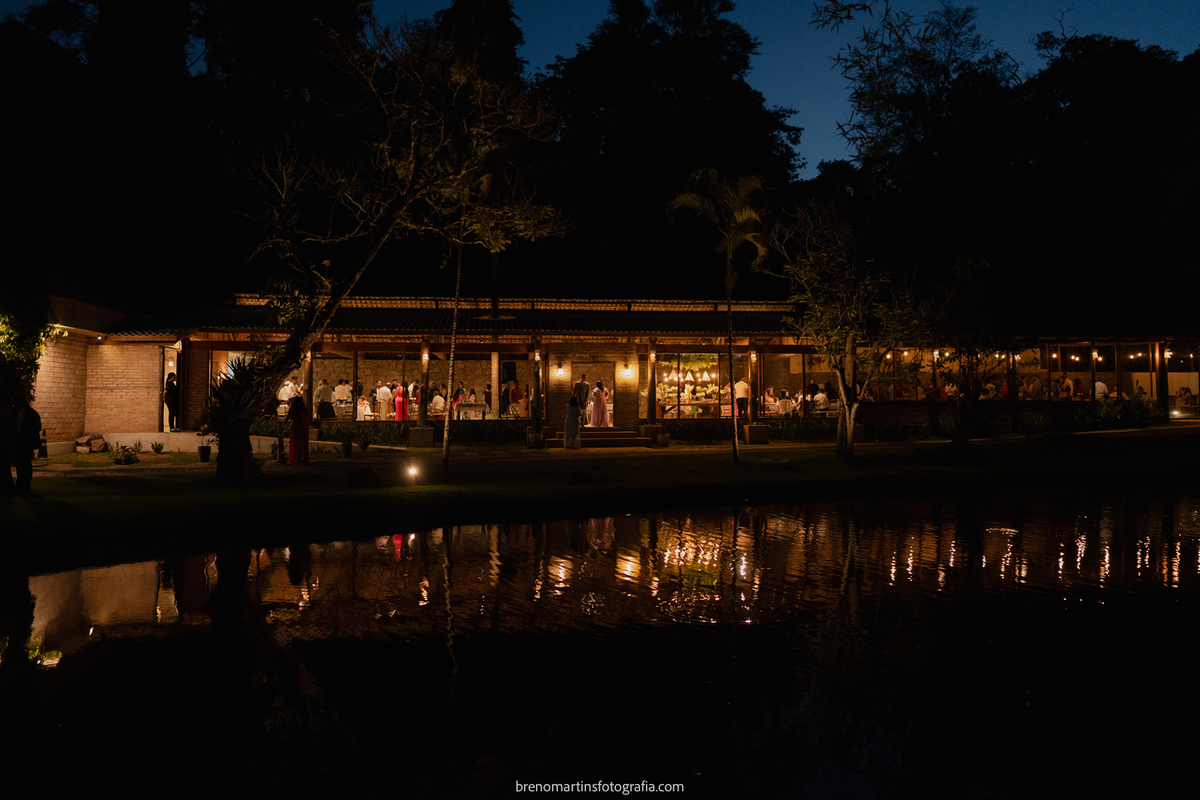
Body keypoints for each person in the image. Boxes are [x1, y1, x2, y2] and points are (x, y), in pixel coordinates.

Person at [13, 394, 42, 496]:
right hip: (30, 444)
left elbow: (20, 430)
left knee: (21, 466)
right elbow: (39, 427)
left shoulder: (23, 413)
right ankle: (25, 487)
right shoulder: (32, 412)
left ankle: (22, 488)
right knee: (27, 465)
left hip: (23, 444)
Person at [286, 396, 311, 464]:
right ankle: (303, 456)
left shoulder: (292, 409)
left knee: (295, 442)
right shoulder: (302, 409)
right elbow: (308, 414)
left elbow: (287, 418)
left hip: (295, 426)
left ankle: (294, 457)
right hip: (301, 426)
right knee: (302, 442)